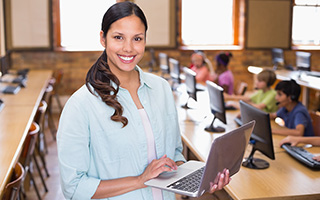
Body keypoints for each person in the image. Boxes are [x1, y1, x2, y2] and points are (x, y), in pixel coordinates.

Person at [56, 2, 230, 200]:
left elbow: (174, 156)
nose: (128, 48)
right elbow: (74, 187)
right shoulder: (81, 104)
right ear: (103, 39)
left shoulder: (161, 88)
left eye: (137, 38)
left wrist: (202, 179)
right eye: (118, 37)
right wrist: (140, 180)